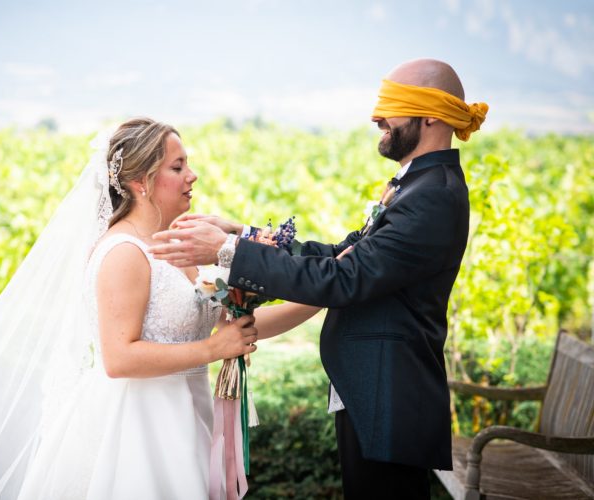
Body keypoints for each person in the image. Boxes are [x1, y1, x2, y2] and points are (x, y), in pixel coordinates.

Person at [0, 118, 259, 499]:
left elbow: (235, 327)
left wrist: (317, 296)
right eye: (177, 166)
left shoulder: (178, 247)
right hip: (134, 425)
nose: (192, 175)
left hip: (189, 412)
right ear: (140, 181)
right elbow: (119, 357)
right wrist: (212, 350)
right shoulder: (124, 253)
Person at [149, 58, 489, 499]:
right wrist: (245, 234)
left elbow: (344, 279)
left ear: (430, 114)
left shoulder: (433, 196)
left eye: (391, 105)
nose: (377, 118)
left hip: (390, 394)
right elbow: (339, 254)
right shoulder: (414, 186)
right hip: (374, 390)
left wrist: (227, 253)